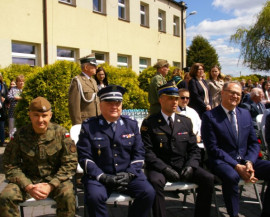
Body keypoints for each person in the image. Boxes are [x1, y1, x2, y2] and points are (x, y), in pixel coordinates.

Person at [77, 85, 155, 217]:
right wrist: (102, 176)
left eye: (117, 103)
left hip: (127, 174)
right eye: (109, 103)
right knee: (94, 198)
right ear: (100, 105)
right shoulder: (89, 126)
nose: (114, 106)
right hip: (100, 176)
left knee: (148, 192)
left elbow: (139, 153)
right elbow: (84, 157)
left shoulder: (131, 124)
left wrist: (130, 174)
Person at [141, 81, 214, 217]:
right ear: (161, 99)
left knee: (208, 178)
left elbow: (194, 149)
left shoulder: (185, 121)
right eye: (170, 98)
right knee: (155, 182)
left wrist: (191, 166)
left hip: (183, 165)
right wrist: (165, 169)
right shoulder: (150, 123)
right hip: (160, 167)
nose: (175, 102)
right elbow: (147, 152)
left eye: (176, 98)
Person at [201, 81, 270, 217]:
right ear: (222, 93)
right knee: (231, 176)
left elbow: (254, 143)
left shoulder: (245, 114)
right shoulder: (210, 116)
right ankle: (233, 214)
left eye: (238, 94)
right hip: (222, 161)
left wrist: (249, 162)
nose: (235, 96)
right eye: (232, 92)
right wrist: (237, 166)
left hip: (246, 160)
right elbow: (213, 148)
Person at [0, 97, 78, 217]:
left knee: (67, 194)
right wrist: (28, 186)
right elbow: (10, 165)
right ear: (30, 115)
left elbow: (70, 163)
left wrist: (51, 185)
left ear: (50, 115)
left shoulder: (61, 134)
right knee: (6, 197)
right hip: (27, 180)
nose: (40, 120)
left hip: (54, 180)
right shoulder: (20, 135)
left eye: (44, 115)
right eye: (36, 115)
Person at [68, 54, 100, 125]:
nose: (96, 68)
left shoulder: (93, 81)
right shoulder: (77, 81)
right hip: (85, 123)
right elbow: (74, 106)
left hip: (96, 121)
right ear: (86, 67)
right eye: (94, 66)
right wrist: (77, 125)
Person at [0, 74, 8, 146]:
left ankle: (2, 141)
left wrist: (5, 99)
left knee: (2, 126)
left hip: (1, 108)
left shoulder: (3, 85)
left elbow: (7, 95)